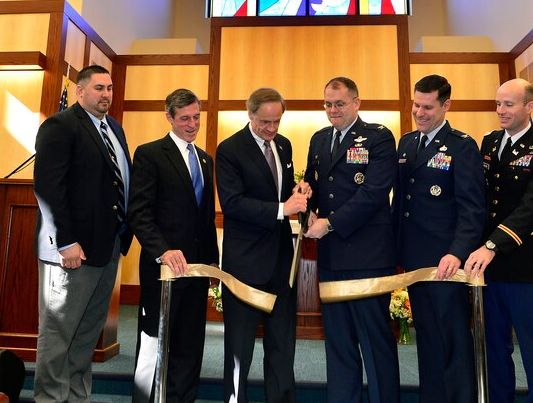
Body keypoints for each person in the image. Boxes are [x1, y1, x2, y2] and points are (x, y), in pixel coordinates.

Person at [33, 64, 134, 403]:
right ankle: (50, 398)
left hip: (107, 248)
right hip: (70, 251)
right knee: (58, 333)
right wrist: (66, 241)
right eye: (99, 88)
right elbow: (49, 188)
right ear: (80, 91)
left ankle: (76, 397)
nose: (106, 94)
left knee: (87, 333)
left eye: (109, 88)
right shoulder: (60, 126)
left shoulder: (115, 129)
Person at [464, 78, 533, 403]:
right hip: (488, 271)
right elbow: (482, 199)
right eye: (498, 104)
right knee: (494, 349)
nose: (500, 111)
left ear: (529, 106)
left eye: (508, 104)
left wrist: (492, 245)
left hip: (524, 269)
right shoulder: (490, 142)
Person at [304, 76, 399, 403]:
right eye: (328, 104)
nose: (333, 110)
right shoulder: (318, 139)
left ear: (356, 103)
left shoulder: (378, 137)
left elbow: (374, 193)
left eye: (339, 104)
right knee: (339, 342)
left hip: (367, 256)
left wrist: (330, 224)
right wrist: (307, 208)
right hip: (331, 257)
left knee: (375, 342)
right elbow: (313, 187)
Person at [392, 75, 485, 403]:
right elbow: (399, 203)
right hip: (415, 261)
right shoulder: (406, 143)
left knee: (454, 340)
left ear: (446, 105)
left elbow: (472, 208)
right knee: (428, 339)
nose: (419, 112)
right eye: (416, 104)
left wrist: (457, 253)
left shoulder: (462, 145)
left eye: (428, 106)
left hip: (447, 262)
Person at [215, 87, 309, 403]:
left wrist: (298, 192)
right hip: (244, 265)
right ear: (250, 114)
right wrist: (284, 209)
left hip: (282, 264)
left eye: (276, 121)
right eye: (264, 122)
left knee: (282, 347)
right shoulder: (230, 149)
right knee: (239, 349)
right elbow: (233, 204)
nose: (270, 129)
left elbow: (278, 193)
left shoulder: (283, 145)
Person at [128, 88, 219, 403]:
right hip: (163, 270)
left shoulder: (205, 159)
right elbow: (138, 212)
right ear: (169, 117)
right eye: (184, 119)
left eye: (196, 117)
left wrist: (212, 262)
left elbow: (205, 218)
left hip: (195, 270)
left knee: (189, 344)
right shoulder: (150, 154)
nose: (192, 125)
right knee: (153, 341)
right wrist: (162, 250)